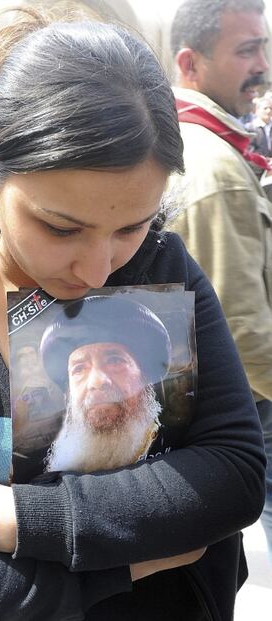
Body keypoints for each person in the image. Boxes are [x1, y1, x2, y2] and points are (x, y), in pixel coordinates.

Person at [0, 7, 266, 621]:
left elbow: (232, 475)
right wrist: (124, 566)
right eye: (60, 227)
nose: (98, 268)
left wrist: (17, 518)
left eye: (131, 225)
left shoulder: (162, 267)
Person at [168, 0, 272, 564]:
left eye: (263, 46)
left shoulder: (204, 145)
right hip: (254, 396)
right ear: (191, 63)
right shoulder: (215, 163)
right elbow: (243, 328)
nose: (263, 64)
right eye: (246, 50)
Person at [40, 296, 170, 472]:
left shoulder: (182, 448)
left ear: (145, 377)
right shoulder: (49, 462)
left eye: (114, 360)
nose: (97, 382)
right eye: (79, 369)